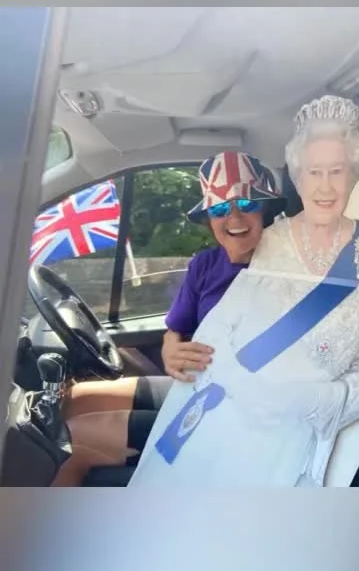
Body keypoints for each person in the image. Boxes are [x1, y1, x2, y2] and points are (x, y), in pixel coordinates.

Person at [129, 94, 359, 487]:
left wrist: (320, 401)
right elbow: (226, 328)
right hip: (230, 414)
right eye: (314, 172)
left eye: (337, 171)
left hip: (303, 433)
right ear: (298, 177)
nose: (325, 186)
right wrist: (191, 358)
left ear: (354, 175)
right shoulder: (269, 241)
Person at [53, 151, 287, 486]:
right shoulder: (205, 265)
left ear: (264, 210)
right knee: (74, 399)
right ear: (209, 219)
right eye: (219, 209)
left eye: (247, 204)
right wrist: (170, 351)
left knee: (71, 442)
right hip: (195, 385)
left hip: (231, 412)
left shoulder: (288, 271)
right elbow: (174, 330)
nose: (234, 217)